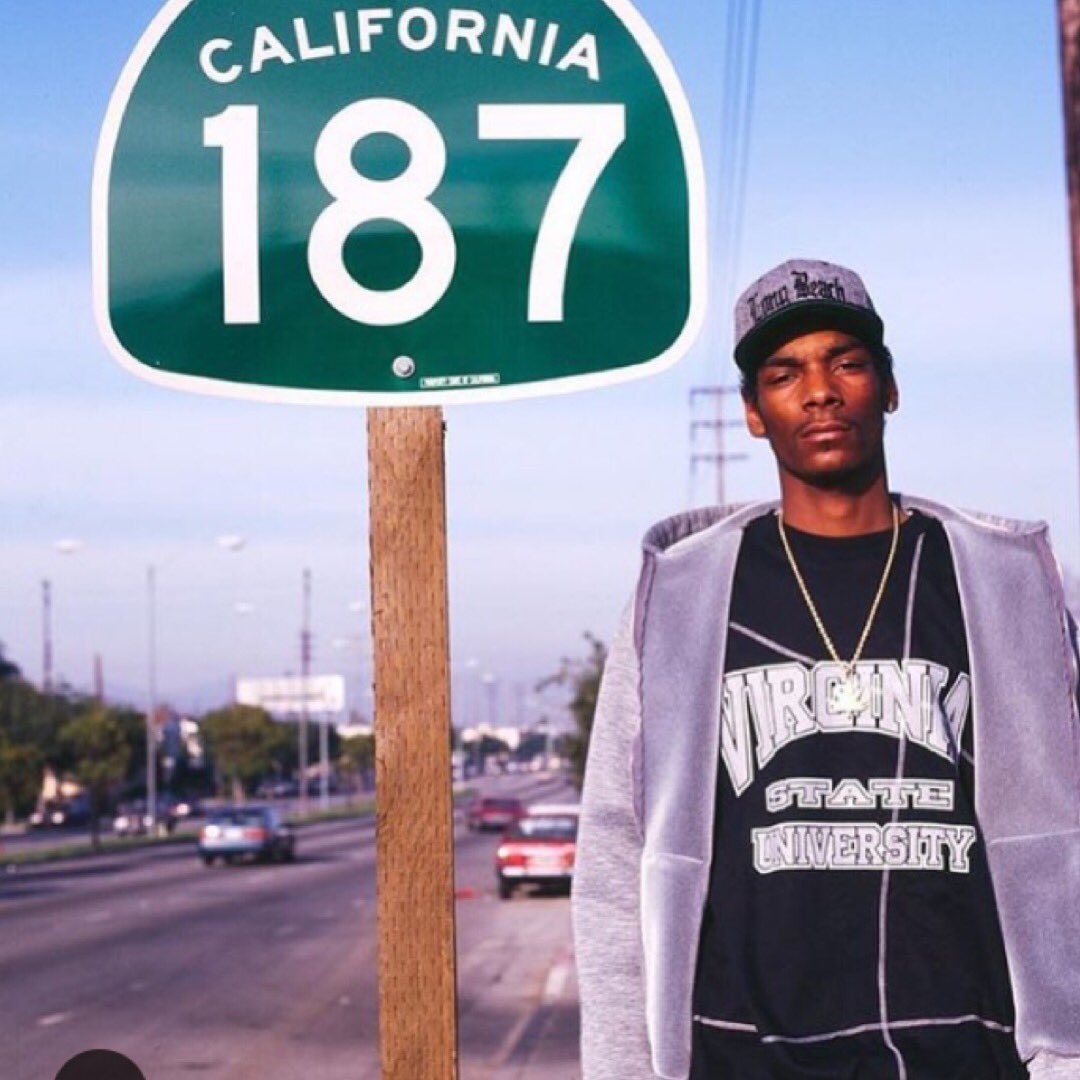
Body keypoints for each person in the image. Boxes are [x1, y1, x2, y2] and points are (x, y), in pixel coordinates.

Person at [572, 258, 1080, 1079]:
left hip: (972, 1051)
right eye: (784, 372)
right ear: (752, 412)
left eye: (845, 362)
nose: (819, 391)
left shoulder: (1006, 584)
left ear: (888, 387)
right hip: (744, 1055)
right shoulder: (686, 595)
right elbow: (616, 848)